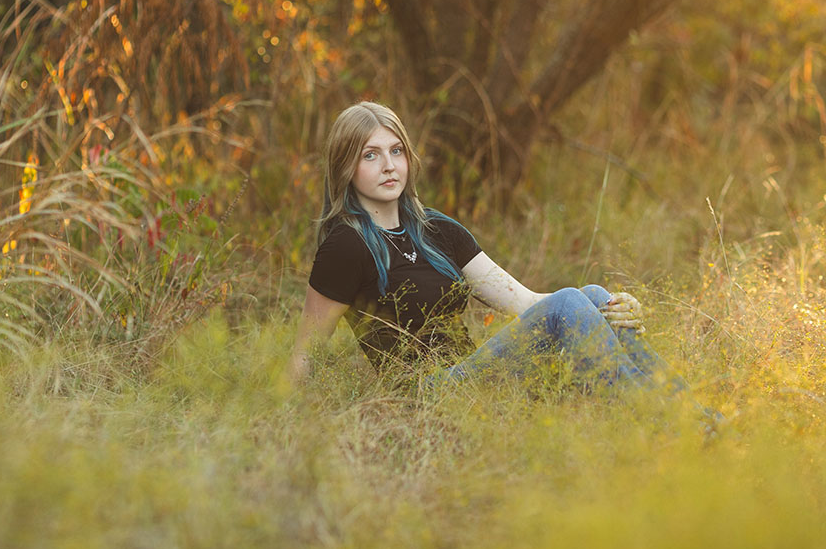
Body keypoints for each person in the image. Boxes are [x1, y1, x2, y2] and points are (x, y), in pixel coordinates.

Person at [289, 101, 698, 406]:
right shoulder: (346, 246)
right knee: (573, 300)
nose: (389, 166)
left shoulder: (437, 231)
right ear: (346, 167)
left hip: (477, 378)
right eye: (370, 155)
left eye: (396, 151)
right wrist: (284, 419)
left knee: (591, 295)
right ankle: (659, 417)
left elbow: (528, 304)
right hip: (427, 393)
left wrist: (615, 307)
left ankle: (690, 415)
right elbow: (307, 351)